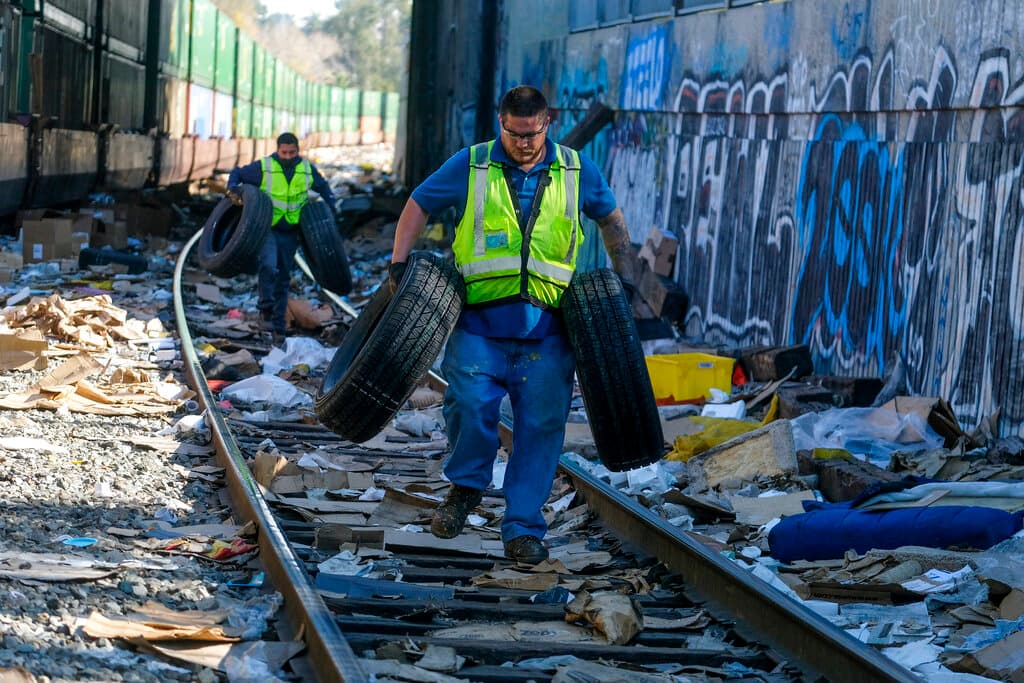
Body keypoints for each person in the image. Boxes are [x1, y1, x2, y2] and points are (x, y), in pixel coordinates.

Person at [389, 85, 636, 564]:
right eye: (514, 133)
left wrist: (624, 281)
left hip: (548, 332)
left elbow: (611, 219)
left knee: (540, 430)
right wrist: (399, 264)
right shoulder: (471, 164)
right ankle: (466, 486)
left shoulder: (576, 170)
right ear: (501, 123)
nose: (523, 143)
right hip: (479, 326)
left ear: (548, 124)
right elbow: (419, 203)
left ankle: (522, 529)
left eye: (532, 134)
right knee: (467, 405)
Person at [226, 132, 336, 346]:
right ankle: (265, 309)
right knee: (268, 266)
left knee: (283, 276)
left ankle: (278, 328)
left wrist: (331, 207)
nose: (287, 156)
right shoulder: (264, 167)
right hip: (268, 228)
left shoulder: (306, 169)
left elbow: (323, 187)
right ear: (278, 150)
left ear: (298, 151)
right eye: (284, 152)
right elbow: (237, 173)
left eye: (292, 153)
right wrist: (233, 189)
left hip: (290, 231)